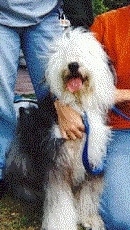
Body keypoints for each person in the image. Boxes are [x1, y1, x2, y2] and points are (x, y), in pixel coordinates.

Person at [0, 0, 93, 197]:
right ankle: (4, 171)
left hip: (46, 15)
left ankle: (68, 173)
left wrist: (80, 23)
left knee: (66, 99)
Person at [90, 3, 130, 229]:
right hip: (120, 131)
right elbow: (78, 85)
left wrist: (120, 94)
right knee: (123, 219)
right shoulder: (106, 24)